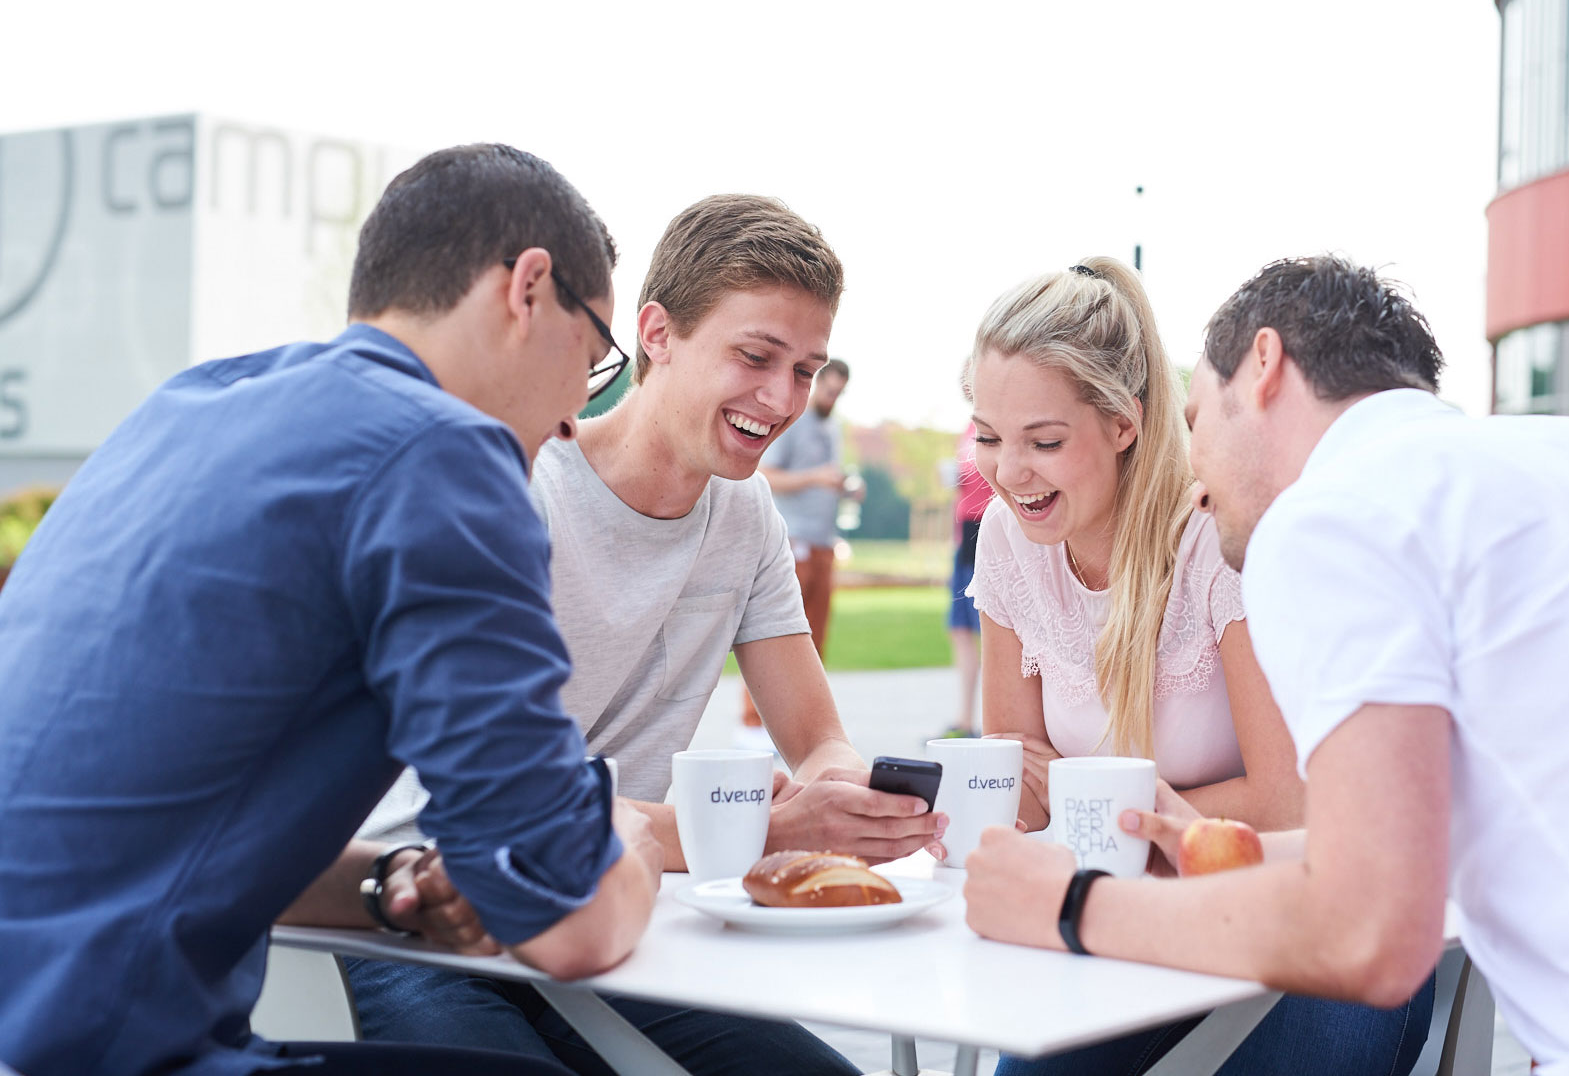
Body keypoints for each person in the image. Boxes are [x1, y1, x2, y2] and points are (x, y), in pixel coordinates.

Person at [962, 256, 1569, 1076]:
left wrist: (1076, 905)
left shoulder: (1333, 519)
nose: (1196, 471)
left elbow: (1368, 935)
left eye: (1197, 416)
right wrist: (1230, 849)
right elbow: (1464, 826)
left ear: (1263, 368)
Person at [0, 144, 663, 1076]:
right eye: (593, 360)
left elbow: (157, 822)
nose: (569, 419)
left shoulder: (186, 408)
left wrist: (385, 885)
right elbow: (568, 926)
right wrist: (625, 838)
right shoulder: (442, 458)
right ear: (527, 288)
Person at [349, 194, 938, 1076]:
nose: (780, 399)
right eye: (754, 356)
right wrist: (764, 829)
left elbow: (817, 739)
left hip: (615, 912)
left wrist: (850, 802)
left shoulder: (745, 517)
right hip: (438, 910)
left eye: (806, 369)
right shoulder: (520, 492)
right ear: (657, 334)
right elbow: (505, 818)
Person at [948, 258, 1430, 1075]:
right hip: (1125, 906)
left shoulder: (1219, 533)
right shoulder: (1006, 540)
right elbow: (1016, 785)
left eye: (1045, 441)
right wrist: (1091, 814)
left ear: (1124, 424)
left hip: (1278, 901)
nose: (1008, 472)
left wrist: (1090, 803)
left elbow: (1284, 800)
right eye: (988, 437)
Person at [739, 356, 858, 745]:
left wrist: (844, 485)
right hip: (791, 540)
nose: (832, 397)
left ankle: (800, 730)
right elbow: (765, 473)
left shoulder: (833, 427)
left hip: (824, 541)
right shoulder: (794, 421)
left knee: (813, 638)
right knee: (773, 634)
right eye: (828, 389)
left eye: (839, 392)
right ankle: (754, 725)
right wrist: (815, 477)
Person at [942, 422, 995, 737]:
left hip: (988, 528)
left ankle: (996, 722)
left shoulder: (997, 423)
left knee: (988, 630)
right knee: (960, 629)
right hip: (965, 535)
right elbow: (959, 486)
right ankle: (965, 719)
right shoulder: (966, 429)